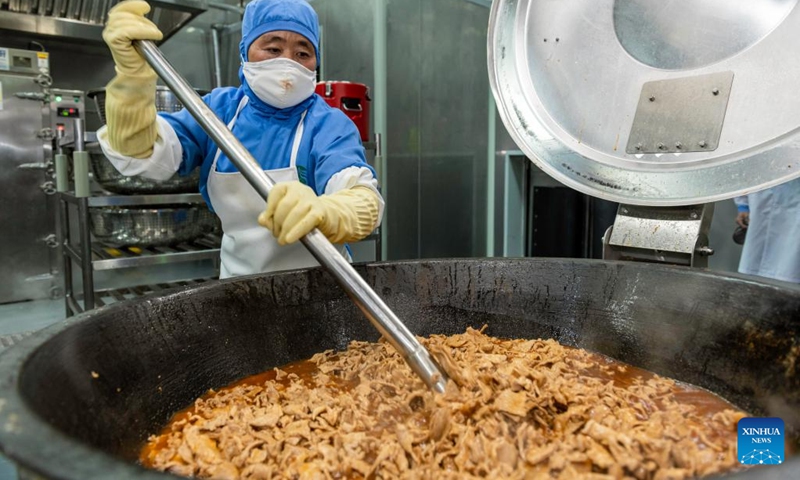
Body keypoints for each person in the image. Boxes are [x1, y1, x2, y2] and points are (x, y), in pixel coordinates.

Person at [97, 0, 383, 278]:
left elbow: (363, 200)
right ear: (245, 52)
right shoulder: (218, 112)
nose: (287, 63)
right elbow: (142, 152)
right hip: (240, 285)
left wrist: (326, 212)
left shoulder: (328, 124)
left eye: (302, 53)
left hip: (322, 285)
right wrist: (132, 80)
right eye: (273, 48)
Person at [733, 178, 800, 283]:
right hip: (761, 209)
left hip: (793, 213)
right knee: (755, 276)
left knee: (789, 270)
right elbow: (746, 171)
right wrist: (743, 205)